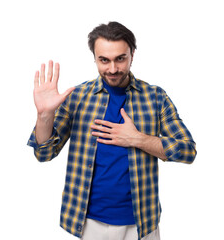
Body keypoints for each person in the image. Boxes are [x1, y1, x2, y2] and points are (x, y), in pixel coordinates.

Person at [27, 21, 197, 240]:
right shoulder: (78, 97)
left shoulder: (156, 97)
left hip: (141, 224)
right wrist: (44, 115)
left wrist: (137, 139)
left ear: (132, 54)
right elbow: (44, 153)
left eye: (120, 59)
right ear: (95, 58)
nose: (113, 69)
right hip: (88, 223)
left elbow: (187, 151)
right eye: (104, 60)